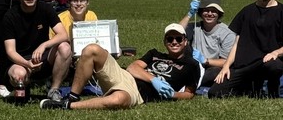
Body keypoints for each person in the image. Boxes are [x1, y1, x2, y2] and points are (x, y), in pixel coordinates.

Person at [39, 23, 199, 110]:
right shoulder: (154, 53)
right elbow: (132, 68)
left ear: (185, 41)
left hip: (138, 94)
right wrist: (154, 79)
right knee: (91, 49)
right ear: (165, 42)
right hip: (125, 76)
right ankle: (73, 95)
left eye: (178, 39)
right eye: (170, 39)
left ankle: (67, 105)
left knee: (118, 100)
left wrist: (172, 95)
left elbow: (190, 93)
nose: (174, 42)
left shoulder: (191, 65)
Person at [209, 0, 283, 98]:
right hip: (246, 65)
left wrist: (275, 53)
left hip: (268, 63)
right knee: (215, 93)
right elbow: (236, 44)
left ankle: (273, 92)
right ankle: (250, 88)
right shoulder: (246, 12)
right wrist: (226, 66)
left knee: (274, 65)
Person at [3, 0, 72, 102]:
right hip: (20, 61)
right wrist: (27, 64)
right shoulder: (10, 16)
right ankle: (23, 88)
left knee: (65, 47)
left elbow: (63, 35)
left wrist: (44, 45)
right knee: (19, 74)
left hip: (43, 58)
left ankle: (54, 90)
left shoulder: (45, 9)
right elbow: (10, 51)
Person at [178, 0, 235, 88]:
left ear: (219, 13)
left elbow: (225, 61)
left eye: (213, 11)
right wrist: (189, 14)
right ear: (200, 12)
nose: (209, 14)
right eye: (206, 10)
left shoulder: (227, 33)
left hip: (212, 67)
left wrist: (205, 60)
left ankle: (186, 83)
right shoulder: (194, 27)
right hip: (193, 65)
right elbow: (176, 31)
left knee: (214, 72)